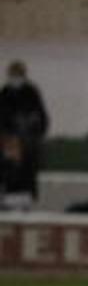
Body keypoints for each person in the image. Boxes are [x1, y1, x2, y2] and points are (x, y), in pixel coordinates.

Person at [0, 60, 49, 202]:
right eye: (12, 74)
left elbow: (41, 117)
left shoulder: (31, 92)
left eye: (17, 74)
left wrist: (31, 130)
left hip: (28, 141)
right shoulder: (5, 92)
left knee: (27, 170)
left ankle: (26, 196)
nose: (15, 78)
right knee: (9, 169)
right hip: (9, 139)